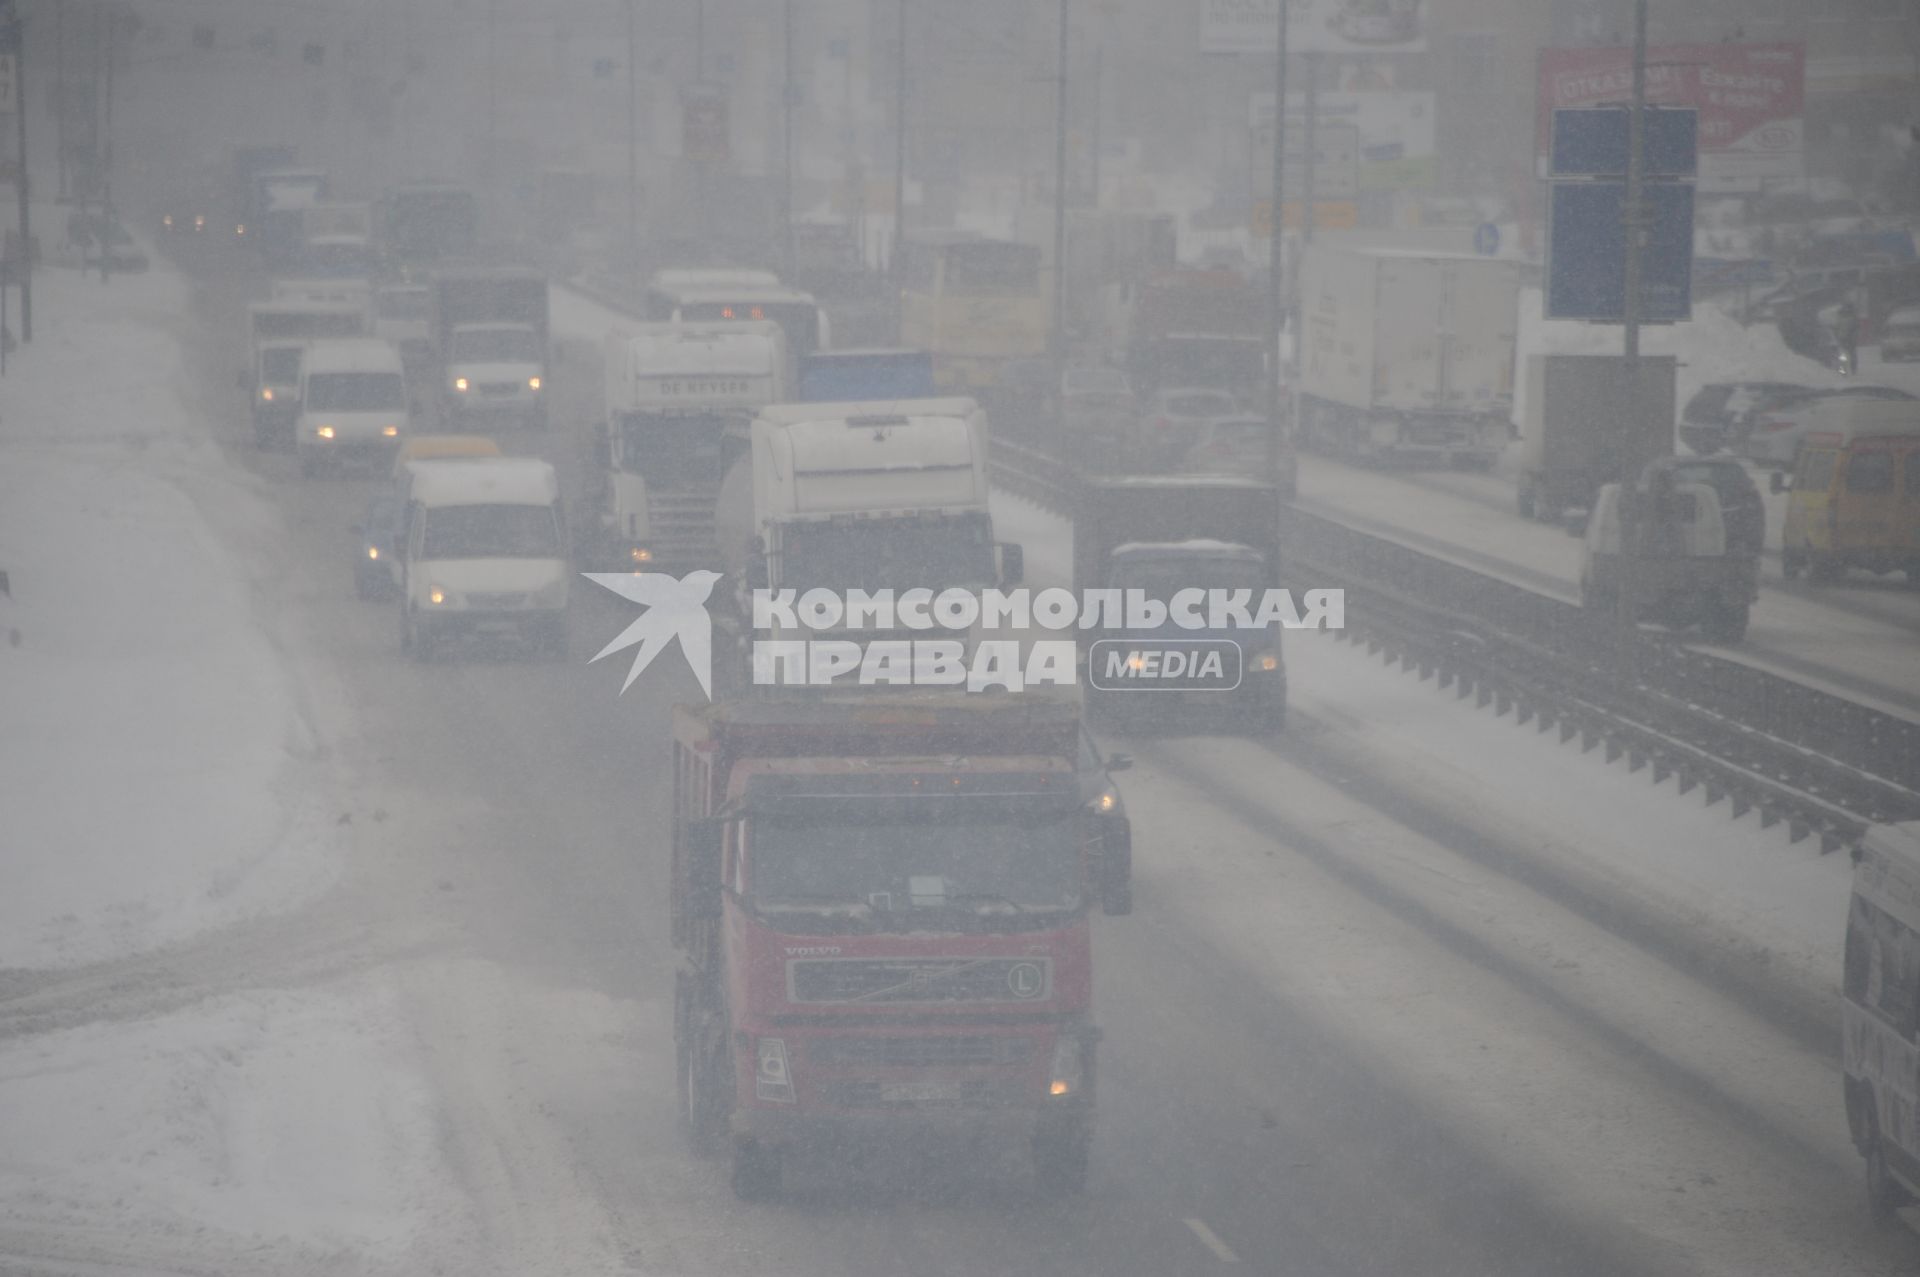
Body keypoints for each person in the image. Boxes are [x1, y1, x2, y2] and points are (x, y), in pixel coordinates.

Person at [1833, 299, 1860, 374]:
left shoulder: (1841, 315)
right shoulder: (1852, 316)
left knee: (1844, 355)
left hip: (1844, 338)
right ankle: (1849, 370)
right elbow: (1856, 328)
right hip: (1846, 339)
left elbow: (1837, 326)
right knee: (1848, 355)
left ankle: (1844, 370)